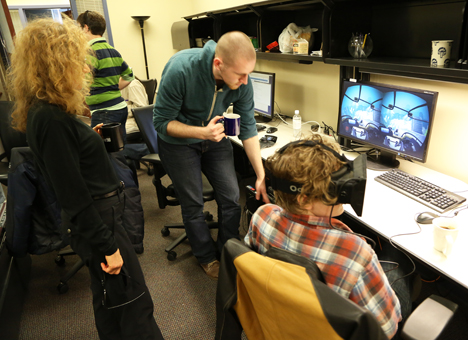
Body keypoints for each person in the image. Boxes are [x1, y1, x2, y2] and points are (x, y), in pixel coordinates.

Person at [9, 17, 164, 340]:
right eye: (78, 60)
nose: (85, 69)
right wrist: (109, 247)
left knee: (108, 300)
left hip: (97, 218)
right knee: (135, 304)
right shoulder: (51, 119)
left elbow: (68, 166)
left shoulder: (48, 110)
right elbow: (73, 194)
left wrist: (87, 140)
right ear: (57, 64)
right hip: (98, 221)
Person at [245, 135, 411, 339]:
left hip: (282, 319)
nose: (345, 188)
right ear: (304, 199)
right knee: (396, 261)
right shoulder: (354, 251)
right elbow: (386, 328)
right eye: (336, 184)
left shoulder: (262, 216)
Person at [153, 31, 269, 279]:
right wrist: (201, 132)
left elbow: (248, 128)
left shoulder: (241, 80)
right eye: (240, 75)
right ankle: (206, 257)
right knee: (193, 202)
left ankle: (228, 250)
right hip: (178, 143)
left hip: (214, 138)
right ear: (219, 64)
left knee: (230, 196)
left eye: (248, 74)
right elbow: (161, 123)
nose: (245, 82)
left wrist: (260, 174)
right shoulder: (181, 69)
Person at [76, 10, 134, 142]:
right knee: (118, 150)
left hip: (104, 112)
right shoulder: (113, 50)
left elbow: (83, 82)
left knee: (106, 154)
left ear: (86, 28)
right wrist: (112, 88)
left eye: (78, 28)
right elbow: (129, 76)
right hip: (120, 109)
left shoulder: (90, 52)